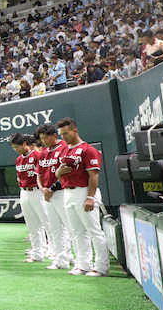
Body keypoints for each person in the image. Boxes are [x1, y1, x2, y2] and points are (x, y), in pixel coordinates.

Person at [55, 118, 109, 277]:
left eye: (66, 133)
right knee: (77, 232)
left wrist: (90, 197)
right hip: (68, 192)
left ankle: (101, 267)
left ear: (75, 130)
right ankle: (83, 264)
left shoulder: (88, 149)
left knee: (94, 231)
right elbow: (59, 174)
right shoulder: (65, 151)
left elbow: (94, 175)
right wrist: (58, 173)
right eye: (61, 134)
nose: (64, 137)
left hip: (84, 191)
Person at [36, 123, 73, 270]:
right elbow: (39, 174)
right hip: (47, 195)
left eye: (46, 138)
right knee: (55, 229)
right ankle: (60, 260)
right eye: (41, 138)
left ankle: (78, 259)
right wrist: (42, 189)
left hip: (62, 192)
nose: (44, 141)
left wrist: (51, 188)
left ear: (54, 136)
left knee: (71, 227)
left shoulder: (64, 147)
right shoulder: (43, 152)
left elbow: (66, 172)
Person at [13, 133, 49, 263]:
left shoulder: (37, 155)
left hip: (37, 191)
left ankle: (54, 252)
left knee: (47, 222)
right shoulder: (18, 160)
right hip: (24, 192)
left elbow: (44, 174)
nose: (16, 150)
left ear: (24, 144)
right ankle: (37, 254)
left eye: (17, 147)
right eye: (14, 148)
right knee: (32, 226)